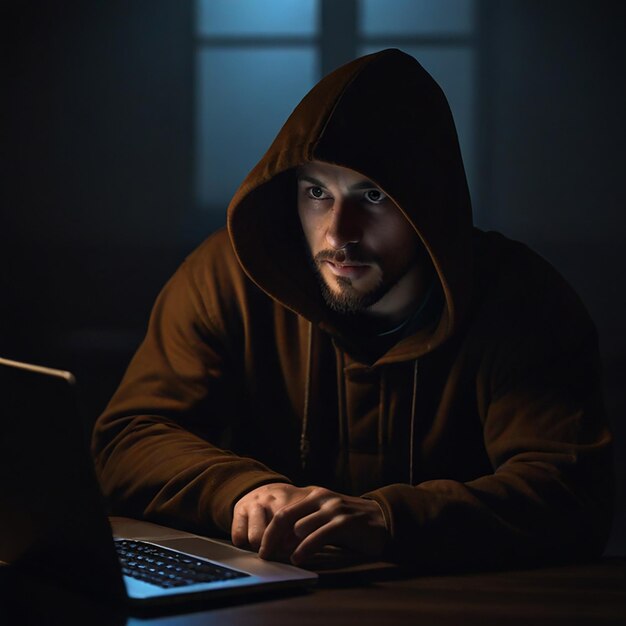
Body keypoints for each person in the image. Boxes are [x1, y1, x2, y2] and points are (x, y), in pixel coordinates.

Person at [92, 49, 613, 572]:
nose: (339, 233)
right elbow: (129, 439)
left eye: (374, 196)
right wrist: (244, 490)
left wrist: (392, 520)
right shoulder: (224, 278)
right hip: (264, 602)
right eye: (317, 192)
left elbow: (570, 493)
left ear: (429, 206)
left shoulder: (521, 299)